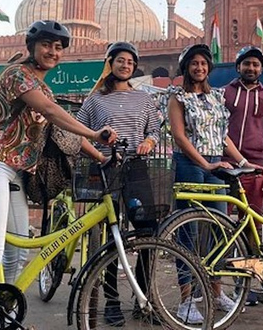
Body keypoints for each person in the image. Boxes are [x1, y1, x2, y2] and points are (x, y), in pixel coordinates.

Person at [0, 20, 116, 330]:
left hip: (12, 173)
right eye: (46, 45)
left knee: (16, 255)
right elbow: (54, 113)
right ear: (32, 47)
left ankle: (2, 319)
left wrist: (100, 157)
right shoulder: (18, 75)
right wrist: (95, 133)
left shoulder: (43, 87)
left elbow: (60, 128)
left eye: (57, 48)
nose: (52, 52)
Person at [165, 43, 263, 323]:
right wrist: (205, 163)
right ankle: (186, 300)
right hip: (190, 164)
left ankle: (216, 290)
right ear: (186, 67)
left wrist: (242, 161)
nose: (199, 68)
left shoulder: (216, 98)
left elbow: (222, 137)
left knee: (221, 229)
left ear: (208, 68)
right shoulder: (178, 97)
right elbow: (180, 137)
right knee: (189, 232)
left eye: (203, 64)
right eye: (194, 63)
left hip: (216, 164)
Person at [76, 41, 160, 326]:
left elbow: (155, 129)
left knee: (148, 232)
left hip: (136, 168)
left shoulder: (144, 99)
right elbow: (79, 133)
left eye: (130, 62)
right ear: (110, 63)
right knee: (113, 238)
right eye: (121, 60)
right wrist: (99, 151)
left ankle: (143, 297)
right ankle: (112, 302)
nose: (126, 66)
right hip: (106, 168)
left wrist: (149, 141)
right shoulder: (95, 100)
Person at [224, 45, 263, 306]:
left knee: (251, 229)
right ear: (238, 67)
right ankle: (216, 285)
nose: (251, 68)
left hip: (255, 169)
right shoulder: (225, 94)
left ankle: (245, 287)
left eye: (256, 64)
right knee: (221, 227)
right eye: (246, 63)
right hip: (226, 167)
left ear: (261, 69)